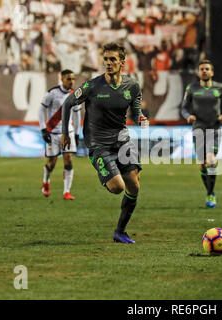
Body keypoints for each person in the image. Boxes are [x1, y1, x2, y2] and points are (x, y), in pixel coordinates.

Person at [61, 42, 147, 244]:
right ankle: (106, 170)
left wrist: (141, 117)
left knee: (134, 186)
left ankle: (120, 231)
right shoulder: (92, 86)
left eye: (113, 59)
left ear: (122, 62)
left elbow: (135, 113)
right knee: (117, 187)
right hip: (98, 143)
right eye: (106, 59)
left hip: (122, 141)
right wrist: (65, 132)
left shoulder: (132, 86)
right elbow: (68, 102)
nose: (108, 63)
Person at [181, 59, 222, 208]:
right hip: (198, 128)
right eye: (202, 69)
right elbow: (184, 107)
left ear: (212, 72)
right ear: (198, 72)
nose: (204, 71)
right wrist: (188, 116)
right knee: (202, 164)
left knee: (211, 160)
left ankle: (210, 193)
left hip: (214, 128)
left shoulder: (220, 87)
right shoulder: (191, 88)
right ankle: (210, 192)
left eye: (207, 69)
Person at [38, 69, 81, 200]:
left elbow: (77, 116)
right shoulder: (52, 93)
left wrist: (77, 134)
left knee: (68, 161)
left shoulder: (75, 95)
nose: (71, 81)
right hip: (53, 133)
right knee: (52, 163)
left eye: (73, 79)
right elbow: (41, 109)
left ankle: (66, 192)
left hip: (68, 133)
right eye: (68, 79)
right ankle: (46, 182)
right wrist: (43, 129)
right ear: (61, 79)